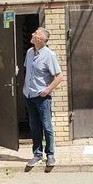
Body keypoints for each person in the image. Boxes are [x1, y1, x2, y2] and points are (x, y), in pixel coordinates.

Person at [23, 27, 64, 167]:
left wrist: (47, 90)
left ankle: (50, 155)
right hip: (29, 96)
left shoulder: (49, 55)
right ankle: (37, 154)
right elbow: (28, 72)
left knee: (46, 126)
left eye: (35, 33)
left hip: (42, 97)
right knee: (34, 127)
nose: (32, 34)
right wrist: (25, 89)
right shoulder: (29, 52)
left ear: (41, 39)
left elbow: (59, 77)